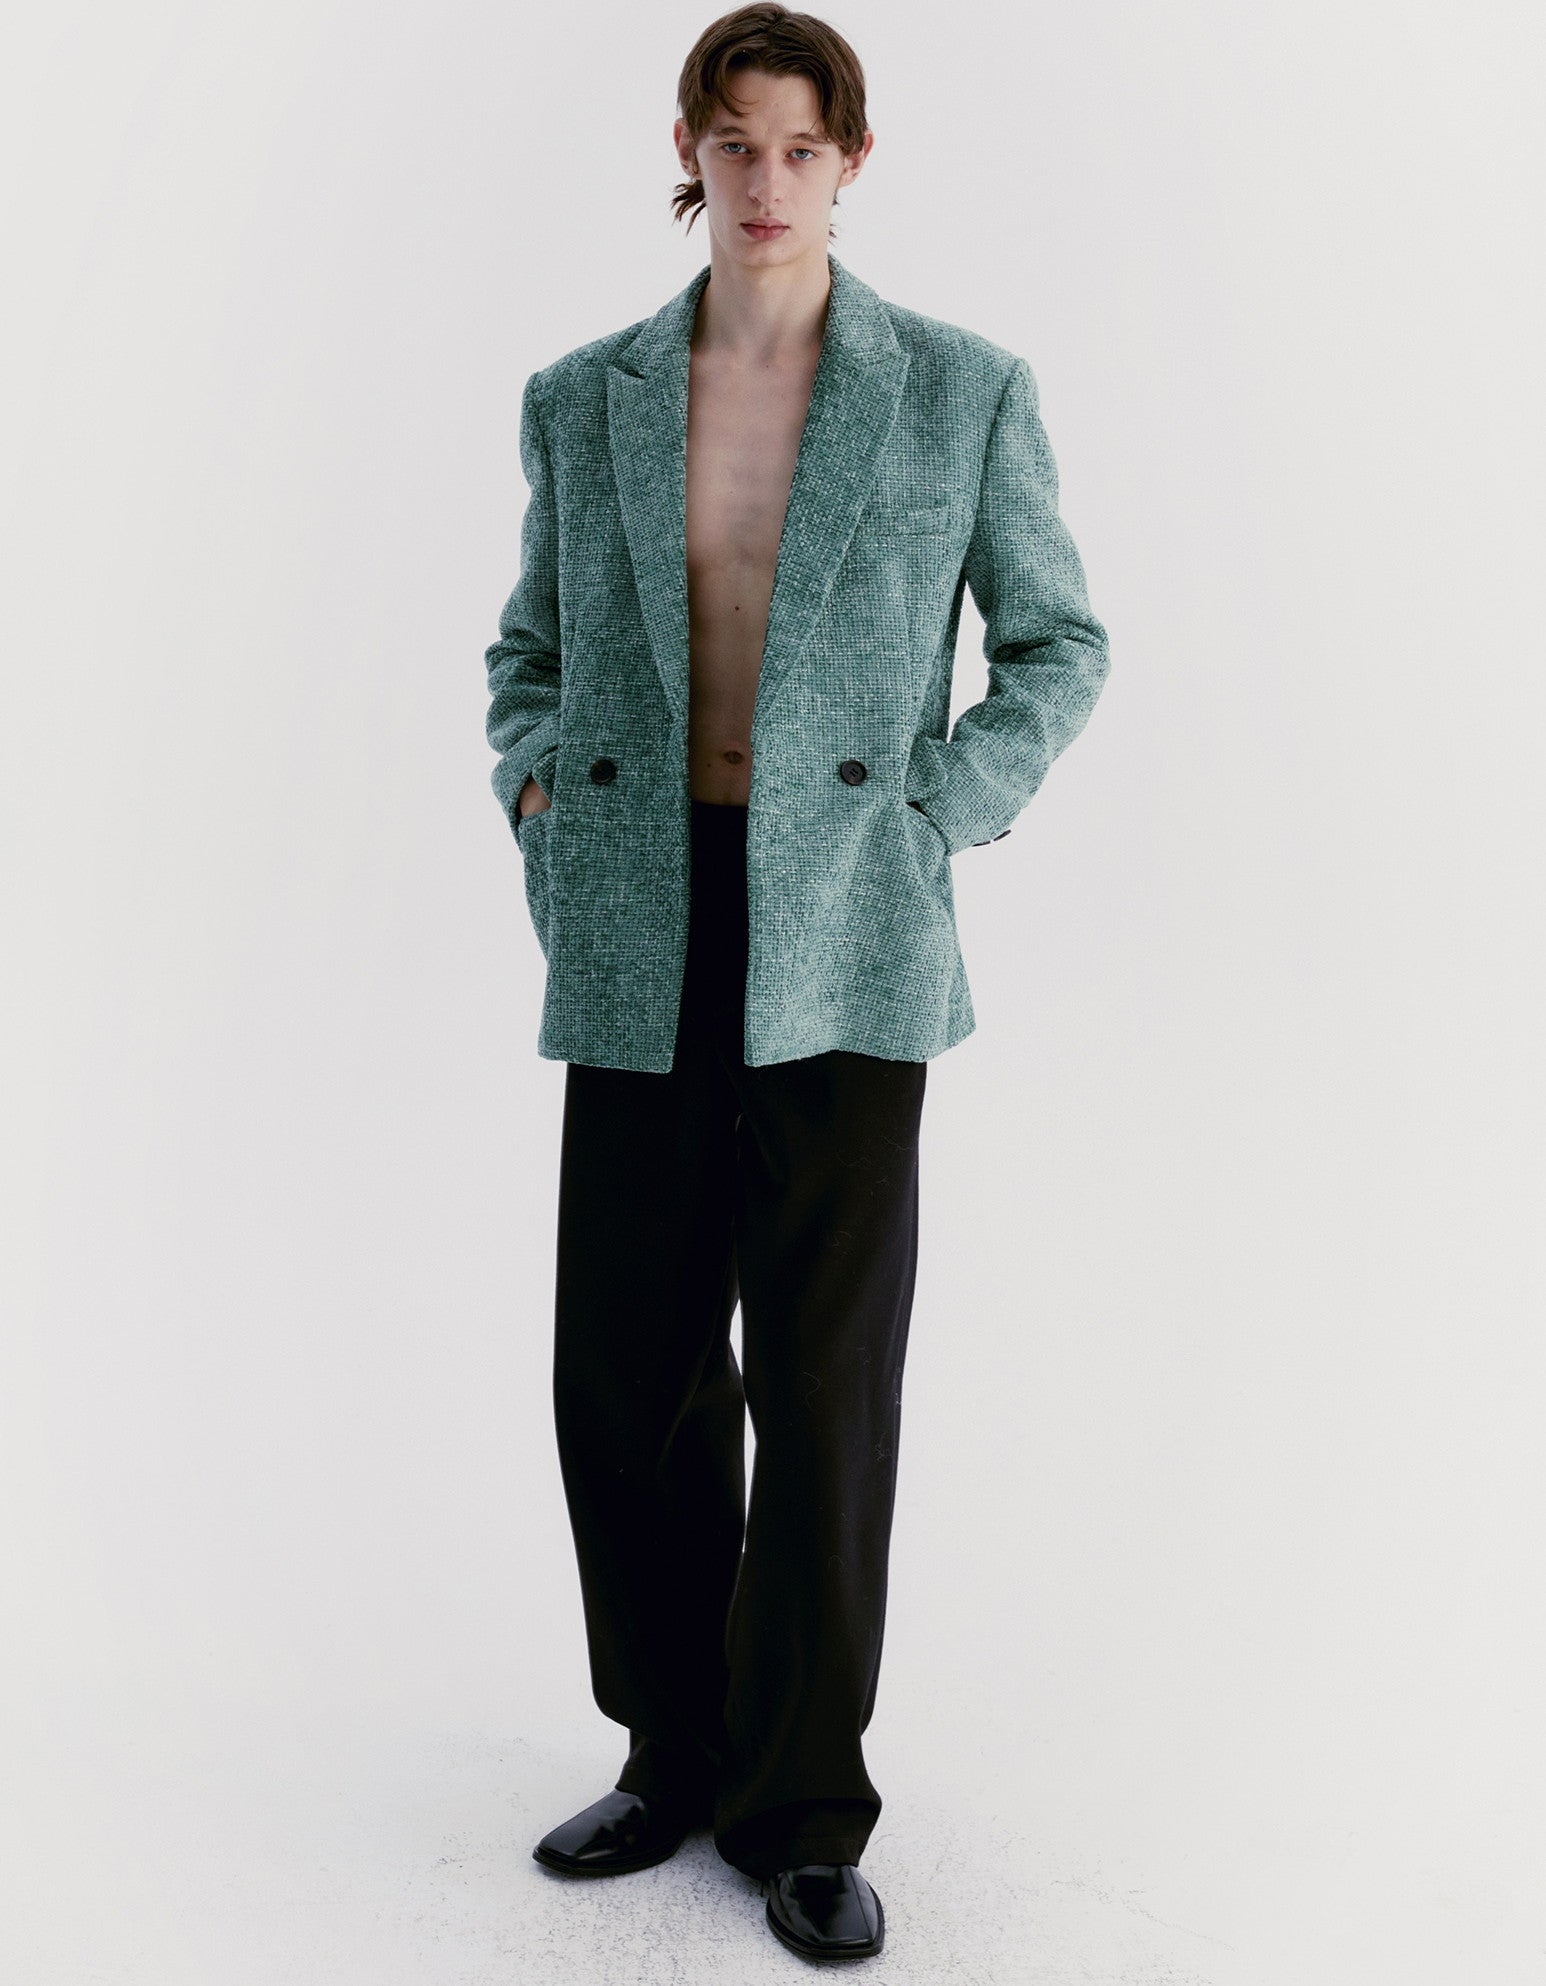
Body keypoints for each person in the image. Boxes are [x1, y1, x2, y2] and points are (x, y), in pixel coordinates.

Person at [481, 3, 1110, 1961]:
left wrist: (941, 808)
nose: (764, 182)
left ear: (852, 160)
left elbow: (1058, 642)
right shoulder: (583, 394)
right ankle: (670, 1748)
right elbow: (525, 647)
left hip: (846, 923)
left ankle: (802, 1800)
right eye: (732, 145)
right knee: (628, 1375)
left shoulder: (959, 388)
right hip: (637, 913)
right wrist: (531, 784)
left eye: (798, 148)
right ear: (687, 151)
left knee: (825, 1387)